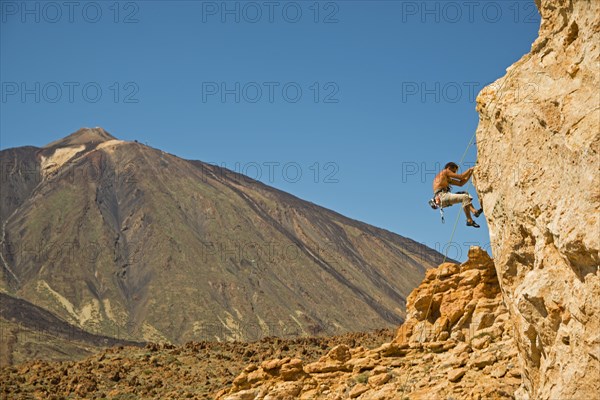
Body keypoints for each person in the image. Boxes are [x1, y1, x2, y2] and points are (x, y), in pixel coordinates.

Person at [432, 162, 483, 228]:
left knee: (464, 193)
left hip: (444, 196)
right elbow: (461, 177)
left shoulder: (447, 178)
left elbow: (460, 183)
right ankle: (469, 220)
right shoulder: (445, 171)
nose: (454, 173)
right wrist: (470, 169)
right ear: (449, 168)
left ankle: (475, 212)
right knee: (465, 197)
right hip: (442, 196)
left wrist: (470, 174)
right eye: (453, 171)